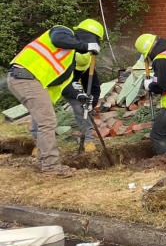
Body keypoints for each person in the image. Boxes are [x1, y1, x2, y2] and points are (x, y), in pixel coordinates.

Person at [7, 19, 103, 175]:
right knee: (47, 122)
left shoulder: (67, 61)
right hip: (25, 77)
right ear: (88, 37)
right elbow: (58, 39)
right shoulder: (62, 31)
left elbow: (66, 86)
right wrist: (85, 46)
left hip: (27, 79)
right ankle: (51, 167)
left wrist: (81, 96)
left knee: (44, 120)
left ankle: (43, 162)